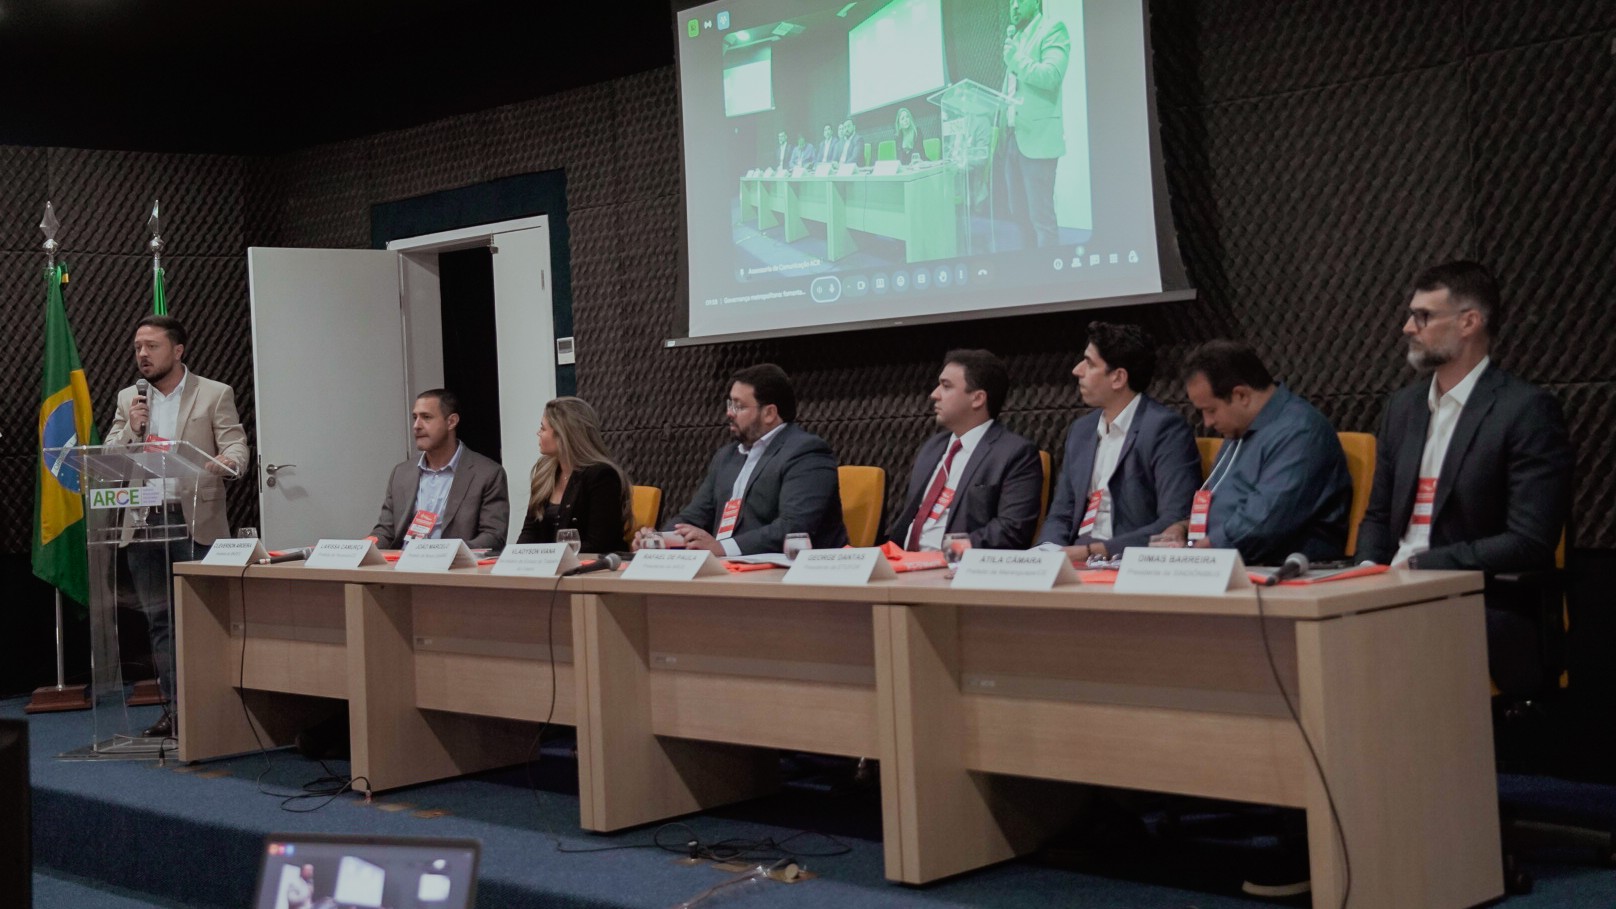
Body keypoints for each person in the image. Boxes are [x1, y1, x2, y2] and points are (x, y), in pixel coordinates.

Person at [1356, 261, 1573, 697]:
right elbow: (1378, 516)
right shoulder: (1402, 407)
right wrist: (1365, 572)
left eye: (1423, 316)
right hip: (1391, 590)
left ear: (1469, 322)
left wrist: (1421, 566)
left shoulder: (1525, 410)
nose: (1407, 328)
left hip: (1479, 594)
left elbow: (1529, 540)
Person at [107, 315, 250, 739]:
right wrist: (132, 429)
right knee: (160, 621)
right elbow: (112, 454)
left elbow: (236, 442)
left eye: (152, 346)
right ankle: (177, 711)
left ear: (178, 350)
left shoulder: (214, 393)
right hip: (145, 520)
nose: (143, 355)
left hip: (195, 520)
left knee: (206, 618)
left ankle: (218, 707)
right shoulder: (129, 399)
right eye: (137, 347)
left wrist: (230, 462)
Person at [1153, 340, 1352, 565]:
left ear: (1241, 396)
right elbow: (1224, 509)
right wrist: (1183, 529)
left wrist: (1194, 556)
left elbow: (1264, 523)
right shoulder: (1238, 430)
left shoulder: (1300, 432)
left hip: (1280, 569)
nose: (1207, 422)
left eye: (1211, 410)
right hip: (1226, 561)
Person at [636, 363, 847, 555]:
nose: (729, 413)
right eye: (730, 404)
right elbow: (694, 517)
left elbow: (794, 528)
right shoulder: (726, 457)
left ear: (769, 413)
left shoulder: (806, 452)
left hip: (789, 574)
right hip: (729, 571)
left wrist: (722, 548)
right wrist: (659, 540)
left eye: (739, 406)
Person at [1038, 323, 1201, 560]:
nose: (1077, 370)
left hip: (1125, 558)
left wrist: (1094, 552)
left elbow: (1174, 518)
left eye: (1090, 363)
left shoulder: (1164, 429)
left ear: (1118, 378)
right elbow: (1061, 514)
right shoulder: (1081, 431)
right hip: (1075, 557)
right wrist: (1046, 553)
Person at [889, 350, 1042, 550]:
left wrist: (952, 551)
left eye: (946, 386)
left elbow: (1012, 529)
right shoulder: (933, 448)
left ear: (977, 398)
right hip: (903, 561)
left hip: (954, 568)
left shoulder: (1015, 454)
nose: (934, 394)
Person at [369, 388, 510, 552]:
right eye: (415, 418)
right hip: (404, 570)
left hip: (454, 571)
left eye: (426, 417)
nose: (416, 426)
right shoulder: (401, 473)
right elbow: (386, 532)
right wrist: (363, 547)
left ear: (451, 422)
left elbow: (493, 537)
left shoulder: (487, 474)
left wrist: (444, 552)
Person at [515, 396, 632, 553]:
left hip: (589, 571)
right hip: (547, 568)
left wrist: (548, 557)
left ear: (563, 435)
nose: (538, 433)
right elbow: (529, 532)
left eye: (543, 428)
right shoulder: (544, 471)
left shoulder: (602, 476)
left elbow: (600, 544)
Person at [1000, 0, 1070, 247]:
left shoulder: (1052, 29)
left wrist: (1015, 59)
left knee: (1041, 219)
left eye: (1019, 0)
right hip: (1012, 139)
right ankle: (1031, 270)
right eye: (1010, 3)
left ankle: (1050, 278)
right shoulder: (1015, 40)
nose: (1014, 6)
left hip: (1038, 139)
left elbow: (1052, 76)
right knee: (1018, 214)